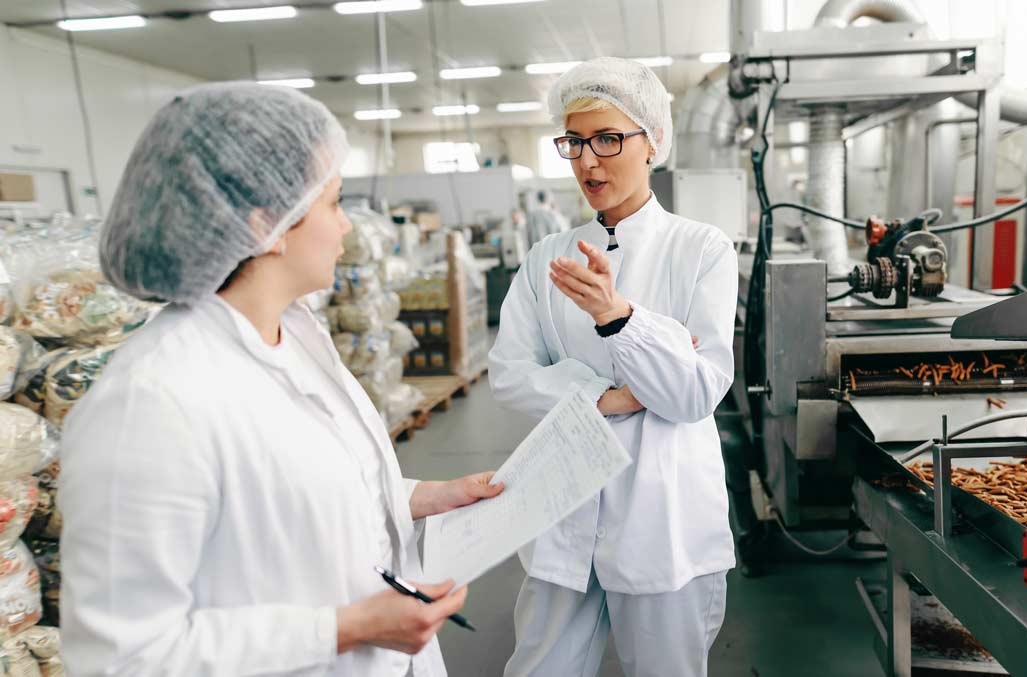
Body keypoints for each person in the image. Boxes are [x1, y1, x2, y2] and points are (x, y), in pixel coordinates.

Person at [58, 82, 502, 676]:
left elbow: (304, 496)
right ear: (268, 223)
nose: (348, 228)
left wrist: (425, 498)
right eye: (335, 203)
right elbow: (123, 657)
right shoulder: (150, 403)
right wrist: (347, 629)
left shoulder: (293, 336)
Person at [489, 57, 737, 677]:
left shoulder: (701, 249)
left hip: (663, 517)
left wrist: (620, 317)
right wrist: (612, 396)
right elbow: (509, 374)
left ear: (651, 142)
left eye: (607, 139)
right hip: (563, 505)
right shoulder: (548, 257)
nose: (587, 161)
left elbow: (696, 392)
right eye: (573, 141)